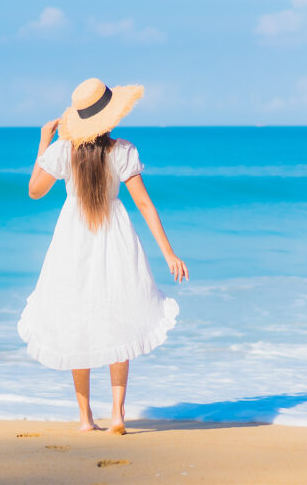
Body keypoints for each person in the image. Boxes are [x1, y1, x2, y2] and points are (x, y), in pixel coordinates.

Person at [18, 77, 188, 435]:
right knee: (118, 316)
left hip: (73, 240)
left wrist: (43, 143)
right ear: (109, 118)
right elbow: (143, 203)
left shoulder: (63, 151)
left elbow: (34, 192)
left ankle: (84, 420)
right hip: (115, 238)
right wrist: (169, 253)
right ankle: (117, 416)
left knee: (75, 319)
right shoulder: (123, 151)